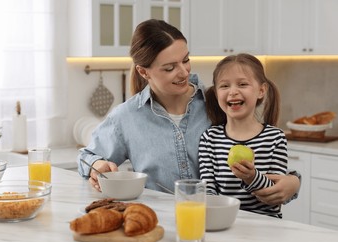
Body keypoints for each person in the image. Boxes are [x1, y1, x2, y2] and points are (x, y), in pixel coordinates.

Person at [77, 19, 300, 205]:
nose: (183, 72)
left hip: (224, 224)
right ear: (144, 72)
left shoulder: (218, 102)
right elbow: (86, 157)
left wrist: (293, 182)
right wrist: (97, 165)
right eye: (170, 67)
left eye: (185, 60)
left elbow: (261, 147)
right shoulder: (126, 117)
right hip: (163, 227)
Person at [199, 53, 288, 218]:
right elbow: (208, 190)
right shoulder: (209, 138)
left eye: (242, 84)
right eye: (224, 86)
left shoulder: (275, 138)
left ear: (261, 90)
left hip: (266, 227)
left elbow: (275, 196)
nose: (233, 91)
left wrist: (252, 177)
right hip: (224, 221)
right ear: (216, 92)